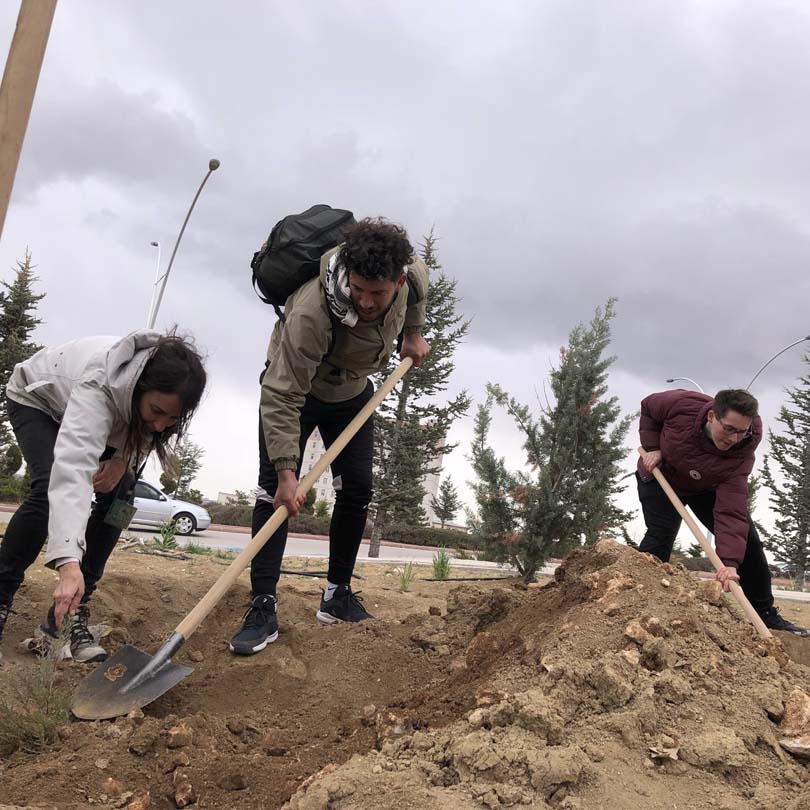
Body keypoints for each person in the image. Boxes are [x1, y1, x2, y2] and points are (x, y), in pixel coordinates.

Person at [229, 218, 430, 655]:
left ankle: (337, 595)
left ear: (397, 282)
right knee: (273, 494)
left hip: (351, 393)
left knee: (356, 490)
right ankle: (262, 605)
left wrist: (413, 333)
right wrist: (288, 474)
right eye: (358, 289)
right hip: (295, 393)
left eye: (378, 293)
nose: (366, 301)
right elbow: (281, 395)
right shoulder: (312, 314)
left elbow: (420, 282)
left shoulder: (409, 275)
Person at [0, 330, 207, 664]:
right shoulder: (100, 383)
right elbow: (73, 471)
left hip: (111, 422)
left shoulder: (157, 408)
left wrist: (122, 460)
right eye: (156, 411)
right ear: (138, 387)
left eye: (171, 419)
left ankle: (68, 615)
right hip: (39, 402)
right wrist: (68, 563)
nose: (160, 426)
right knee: (48, 489)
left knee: (122, 500)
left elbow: (145, 433)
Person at [637, 387, 808, 635]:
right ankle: (639, 600)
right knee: (660, 535)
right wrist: (652, 446)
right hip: (662, 475)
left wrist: (729, 564)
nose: (734, 439)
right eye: (729, 429)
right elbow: (648, 406)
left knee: (748, 543)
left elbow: (731, 511)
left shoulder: (741, 453)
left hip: (705, 486)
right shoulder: (682, 404)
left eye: (742, 431)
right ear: (712, 417)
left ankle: (765, 614)